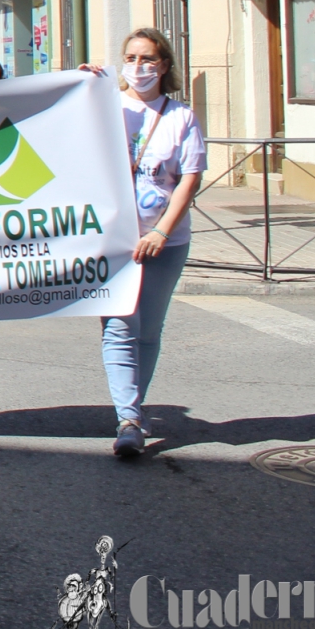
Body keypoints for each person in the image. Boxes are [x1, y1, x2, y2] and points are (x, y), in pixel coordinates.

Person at [103, 29, 203, 459]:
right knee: (119, 326)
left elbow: (189, 179)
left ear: (164, 65)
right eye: (130, 57)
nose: (138, 67)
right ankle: (128, 417)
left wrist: (161, 231)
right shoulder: (105, 107)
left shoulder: (182, 117)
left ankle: (135, 411)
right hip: (113, 241)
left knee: (149, 330)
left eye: (148, 59)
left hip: (166, 241)